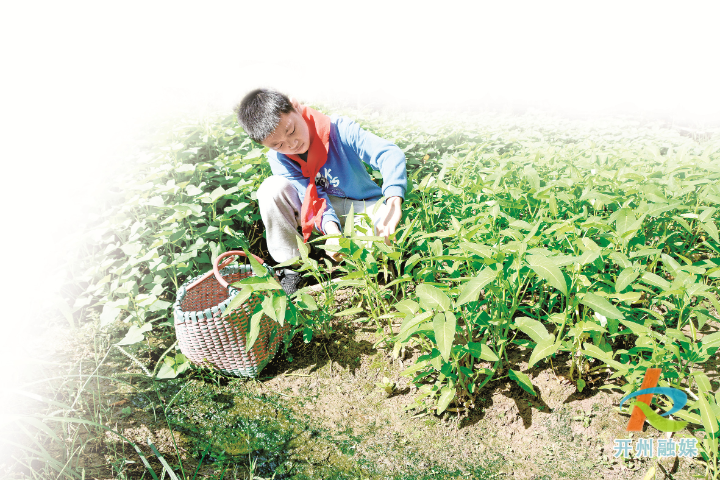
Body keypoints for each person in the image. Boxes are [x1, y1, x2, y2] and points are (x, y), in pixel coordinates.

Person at [234, 89, 407, 295]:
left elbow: (389, 154)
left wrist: (394, 201)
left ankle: (375, 267)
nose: (292, 144)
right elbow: (312, 196)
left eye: (291, 131)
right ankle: (293, 266)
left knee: (383, 235)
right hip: (314, 211)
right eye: (278, 144)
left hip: (360, 205)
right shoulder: (279, 159)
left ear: (295, 106)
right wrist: (333, 232)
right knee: (271, 189)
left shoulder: (338, 129)